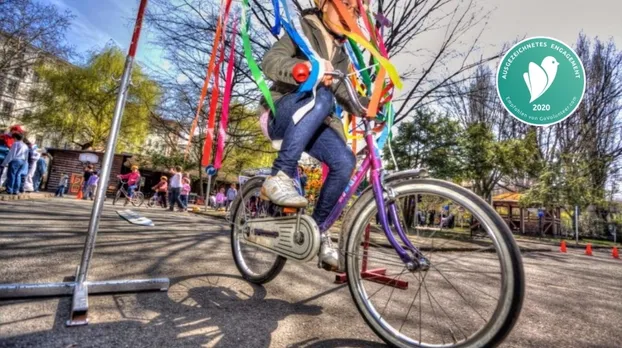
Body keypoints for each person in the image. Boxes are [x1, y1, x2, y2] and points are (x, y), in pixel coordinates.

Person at [258, 0, 368, 270]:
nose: (349, 13)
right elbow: (270, 62)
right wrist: (303, 69)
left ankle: (317, 232)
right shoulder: (302, 29)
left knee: (344, 161)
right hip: (281, 111)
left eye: (355, 11)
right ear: (324, 4)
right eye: (345, 4)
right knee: (322, 96)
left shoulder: (341, 54)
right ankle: (280, 176)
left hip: (314, 119)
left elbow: (344, 93)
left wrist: (368, 106)